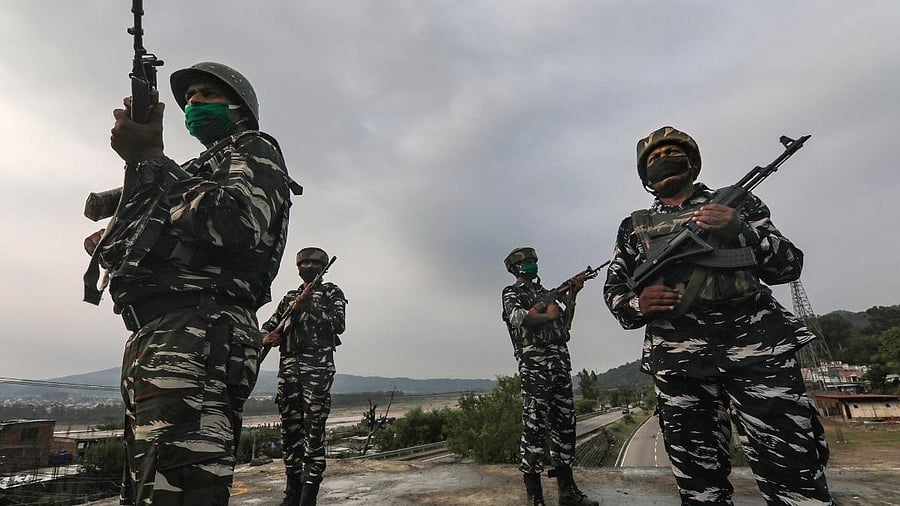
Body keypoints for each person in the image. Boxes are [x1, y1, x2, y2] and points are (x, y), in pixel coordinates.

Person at [82, 62, 300, 505]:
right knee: (150, 485)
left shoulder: (255, 148)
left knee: (178, 491)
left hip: (201, 329)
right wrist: (117, 230)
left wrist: (149, 159)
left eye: (207, 94)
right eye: (190, 97)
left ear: (240, 109)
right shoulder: (197, 166)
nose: (194, 103)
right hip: (159, 333)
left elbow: (233, 221)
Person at [602, 126, 833, 505]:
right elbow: (616, 294)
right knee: (698, 480)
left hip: (757, 351)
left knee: (793, 469)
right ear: (645, 175)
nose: (665, 161)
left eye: (673, 153)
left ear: (692, 162)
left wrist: (740, 230)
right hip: (679, 360)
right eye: (654, 159)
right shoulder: (634, 227)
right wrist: (637, 304)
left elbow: (788, 267)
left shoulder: (737, 205)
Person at [501, 247, 599, 506]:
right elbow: (519, 318)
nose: (532, 265)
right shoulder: (512, 293)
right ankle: (536, 497)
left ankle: (567, 492)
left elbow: (564, 327)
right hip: (535, 367)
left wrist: (573, 295)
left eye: (533, 260)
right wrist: (546, 314)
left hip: (559, 364)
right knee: (534, 427)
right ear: (515, 268)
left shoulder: (546, 294)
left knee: (565, 425)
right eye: (527, 262)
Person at [261, 247, 347, 506]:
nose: (308, 266)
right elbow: (269, 325)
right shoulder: (289, 297)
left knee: (313, 432)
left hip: (317, 368)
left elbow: (338, 325)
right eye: (304, 262)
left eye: (314, 263)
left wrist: (310, 305)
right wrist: (266, 337)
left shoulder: (331, 292)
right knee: (290, 431)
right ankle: (291, 493)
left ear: (322, 267)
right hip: (288, 369)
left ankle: (308, 495)